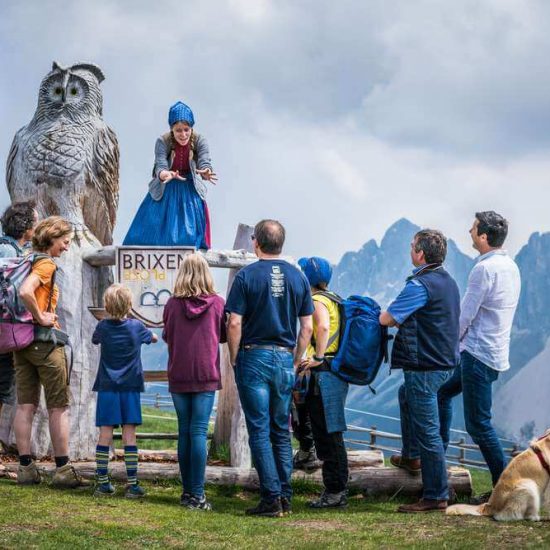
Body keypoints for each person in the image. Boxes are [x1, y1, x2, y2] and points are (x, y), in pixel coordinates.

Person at [226, 220, 314, 517]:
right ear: (282, 243)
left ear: (256, 243)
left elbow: (234, 322)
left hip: (254, 355)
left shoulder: (246, 276)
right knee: (280, 430)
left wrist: (235, 357)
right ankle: (285, 497)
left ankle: (271, 498)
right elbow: (307, 327)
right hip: (284, 357)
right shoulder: (299, 277)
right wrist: (295, 357)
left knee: (259, 430)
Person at [438, 212, 521, 503]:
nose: (469, 231)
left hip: (476, 354)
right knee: (441, 393)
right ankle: (437, 459)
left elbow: (465, 316)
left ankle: (503, 489)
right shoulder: (510, 266)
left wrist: (449, 347)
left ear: (484, 237)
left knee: (478, 424)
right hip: (494, 352)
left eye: (473, 229)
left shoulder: (483, 270)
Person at [380, 229, 460, 513]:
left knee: (428, 431)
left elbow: (386, 317)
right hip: (446, 364)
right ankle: (412, 457)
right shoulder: (448, 281)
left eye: (412, 246)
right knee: (405, 395)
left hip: (424, 365)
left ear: (420, 253)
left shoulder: (419, 285)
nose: (410, 250)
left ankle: (435, 495)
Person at [13, 216, 87, 487]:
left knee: (26, 405)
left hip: (21, 343)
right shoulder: (44, 264)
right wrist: (42, 316)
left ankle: (26, 469)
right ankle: (63, 470)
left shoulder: (25, 259)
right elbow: (25, 291)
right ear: (52, 238)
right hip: (44, 342)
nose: (66, 247)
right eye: (64, 242)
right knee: (59, 406)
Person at [162, 253, 226, 511]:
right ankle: (197, 495)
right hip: (205, 373)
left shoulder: (171, 304)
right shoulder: (217, 303)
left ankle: (187, 492)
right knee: (198, 431)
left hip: (179, 372)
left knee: (184, 431)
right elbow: (222, 336)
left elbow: (167, 335)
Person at [91, 284, 158, 498]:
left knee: (105, 433)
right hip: (130, 387)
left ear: (107, 305)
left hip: (107, 387)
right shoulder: (137, 327)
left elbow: (95, 339)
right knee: (130, 435)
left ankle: (103, 483)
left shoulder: (102, 326)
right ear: (129, 305)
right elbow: (153, 338)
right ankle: (132, 484)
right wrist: (150, 335)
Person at [123, 101, 217, 249]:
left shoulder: (200, 140)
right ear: (172, 129)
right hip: (166, 187)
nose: (183, 134)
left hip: (189, 187)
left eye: (187, 129)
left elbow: (204, 161)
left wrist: (206, 172)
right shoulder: (163, 141)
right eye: (178, 130)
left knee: (188, 234)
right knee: (149, 231)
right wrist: (164, 174)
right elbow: (160, 164)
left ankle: (190, 264)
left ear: (191, 128)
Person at [296, 257, 349, 509]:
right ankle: (335, 489)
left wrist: (316, 357)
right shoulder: (335, 298)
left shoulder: (317, 300)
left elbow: (323, 327)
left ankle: (335, 491)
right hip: (335, 372)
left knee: (328, 433)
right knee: (331, 431)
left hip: (324, 372)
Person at [0, 202, 38, 418]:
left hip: (5, 327)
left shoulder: (14, 248)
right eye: (35, 220)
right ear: (26, 226)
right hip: (5, 327)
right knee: (3, 385)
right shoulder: (8, 251)